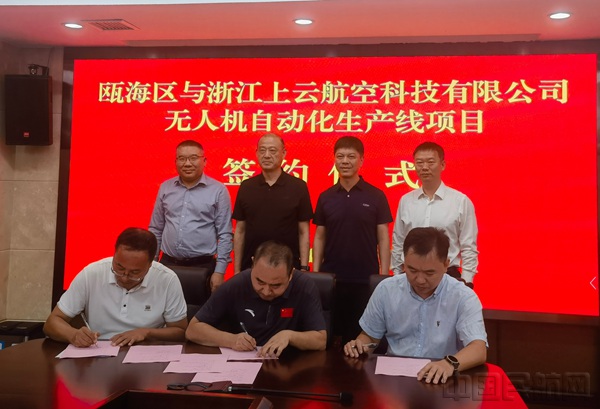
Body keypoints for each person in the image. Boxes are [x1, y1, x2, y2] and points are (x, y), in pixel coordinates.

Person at [344, 227, 487, 385]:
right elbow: (370, 336)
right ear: (404, 262)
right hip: (394, 383)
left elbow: (478, 349)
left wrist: (449, 364)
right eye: (412, 270)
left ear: (446, 264)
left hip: (440, 381)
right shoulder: (386, 290)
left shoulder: (463, 297)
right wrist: (360, 346)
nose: (419, 280)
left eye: (429, 273)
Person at [44, 227, 188, 347]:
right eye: (119, 267)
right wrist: (73, 335)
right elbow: (52, 323)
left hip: (146, 352)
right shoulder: (92, 274)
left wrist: (146, 332)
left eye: (134, 272)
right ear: (114, 254)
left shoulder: (167, 279)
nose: (124, 277)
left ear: (150, 265)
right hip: (99, 351)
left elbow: (180, 332)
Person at [312, 136, 393, 343]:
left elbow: (383, 238)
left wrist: (383, 275)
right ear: (334, 160)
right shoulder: (326, 196)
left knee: (360, 337)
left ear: (361, 160)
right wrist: (316, 273)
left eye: (351, 156)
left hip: (365, 278)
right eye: (340, 156)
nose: (345, 161)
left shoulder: (376, 196)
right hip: (332, 279)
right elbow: (319, 236)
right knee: (331, 337)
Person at [185, 240, 326, 357]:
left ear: (291, 275)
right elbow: (193, 330)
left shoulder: (304, 286)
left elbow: (320, 340)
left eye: (276, 285)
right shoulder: (237, 284)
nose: (266, 291)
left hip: (290, 365)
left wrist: (289, 336)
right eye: (260, 282)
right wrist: (231, 340)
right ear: (252, 264)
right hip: (243, 364)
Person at [391, 141, 478, 288]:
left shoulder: (460, 201)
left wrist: (466, 281)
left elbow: (468, 246)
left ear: (442, 165)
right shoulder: (406, 201)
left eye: (430, 162)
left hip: (447, 276)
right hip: (411, 276)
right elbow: (398, 241)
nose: (424, 167)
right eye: (419, 162)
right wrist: (396, 274)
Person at [149, 140, 233, 292]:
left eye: (193, 158)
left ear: (204, 161)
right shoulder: (165, 188)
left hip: (202, 266)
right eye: (182, 158)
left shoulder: (218, 190)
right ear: (175, 162)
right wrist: (152, 263)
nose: (187, 163)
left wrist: (220, 271)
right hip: (168, 264)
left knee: (202, 307)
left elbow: (225, 234)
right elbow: (156, 229)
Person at [233, 133, 313, 273]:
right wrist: (236, 270)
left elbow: (303, 231)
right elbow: (240, 231)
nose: (267, 155)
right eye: (262, 150)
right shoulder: (246, 186)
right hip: (251, 267)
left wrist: (304, 267)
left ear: (284, 153)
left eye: (272, 150)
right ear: (256, 153)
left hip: (288, 267)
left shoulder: (298, 187)